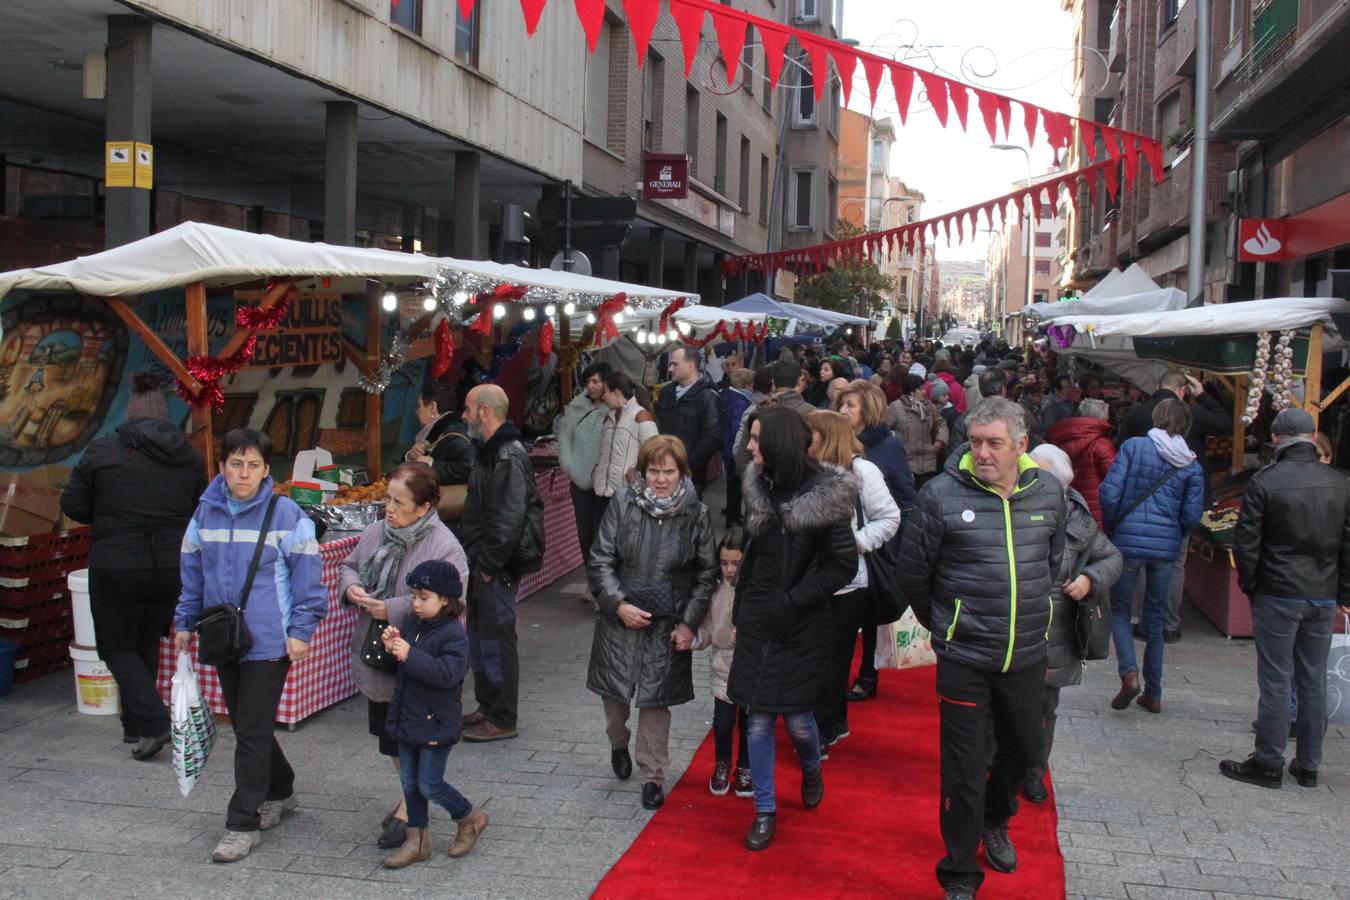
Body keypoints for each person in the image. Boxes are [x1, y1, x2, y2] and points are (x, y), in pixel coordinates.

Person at [898, 399, 1066, 899]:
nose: (984, 452)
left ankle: (997, 819)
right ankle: (959, 871)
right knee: (964, 766)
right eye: (975, 442)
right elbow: (913, 575)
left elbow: (1051, 565)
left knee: (1023, 749)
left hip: (1026, 654)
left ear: (1021, 445)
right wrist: (946, 626)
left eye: (995, 443)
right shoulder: (942, 496)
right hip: (965, 657)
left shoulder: (1049, 493)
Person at [173, 428, 328, 863]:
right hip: (224, 636)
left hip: (269, 641)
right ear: (221, 466)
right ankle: (280, 788)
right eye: (236, 464)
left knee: (252, 730)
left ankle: (242, 824)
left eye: (254, 465)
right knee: (246, 723)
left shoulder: (287, 514)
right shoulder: (204, 513)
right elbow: (192, 574)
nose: (245, 473)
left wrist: (301, 631)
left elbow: (308, 580)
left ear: (267, 471)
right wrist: (185, 622)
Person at [59, 376, 207, 758]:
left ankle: (154, 722)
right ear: (164, 415)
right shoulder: (188, 456)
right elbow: (197, 508)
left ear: (131, 414)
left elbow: (74, 506)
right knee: (143, 642)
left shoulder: (102, 451)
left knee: (115, 646)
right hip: (170, 566)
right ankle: (135, 726)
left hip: (117, 564)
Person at [732, 407, 858, 851]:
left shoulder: (827, 495)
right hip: (756, 621)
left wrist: (794, 600)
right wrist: (740, 607)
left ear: (778, 443)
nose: (749, 447)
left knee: (801, 722)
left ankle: (811, 767)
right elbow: (751, 551)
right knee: (759, 721)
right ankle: (765, 811)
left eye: (756, 438)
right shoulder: (755, 485)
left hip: (802, 626)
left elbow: (844, 564)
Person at [339, 462, 468, 850]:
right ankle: (406, 799)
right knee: (390, 736)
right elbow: (349, 566)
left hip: (418, 657)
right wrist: (353, 590)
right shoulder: (378, 531)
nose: (388, 509)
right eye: (387, 499)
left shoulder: (444, 545)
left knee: (411, 736)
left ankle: (410, 812)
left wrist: (390, 608)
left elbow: (453, 606)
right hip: (379, 653)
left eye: (398, 502)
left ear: (424, 506)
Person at [1220, 408, 1350, 790]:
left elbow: (1246, 544)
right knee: (1312, 680)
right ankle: (1308, 764)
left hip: (1278, 591)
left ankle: (1269, 760)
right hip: (1321, 593)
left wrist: (1251, 586)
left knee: (1277, 679)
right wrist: (1342, 592)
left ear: (1276, 439)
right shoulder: (1339, 483)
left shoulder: (1266, 482)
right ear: (1312, 438)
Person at [587, 435, 717, 810]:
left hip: (666, 622)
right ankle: (618, 742)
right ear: (643, 472)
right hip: (620, 619)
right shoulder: (623, 503)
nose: (661, 479)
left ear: (682, 472)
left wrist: (689, 623)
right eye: (654, 471)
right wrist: (617, 604)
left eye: (669, 472)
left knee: (656, 703)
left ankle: (652, 776)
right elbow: (600, 560)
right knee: (615, 701)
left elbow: (706, 575)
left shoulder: (697, 514)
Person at [1023, 444, 1122, 803]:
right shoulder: (1013, 506)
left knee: (1046, 707)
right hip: (1014, 622)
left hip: (1057, 626)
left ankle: (1034, 771)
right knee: (1004, 702)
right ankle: (995, 761)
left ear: (1061, 486)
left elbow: (1111, 557)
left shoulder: (1078, 520)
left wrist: (1090, 579)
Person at [377, 560, 487, 867]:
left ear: (446, 600)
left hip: (435, 722)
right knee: (410, 783)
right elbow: (407, 668)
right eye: (414, 596)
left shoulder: (454, 634)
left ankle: (469, 817)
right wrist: (393, 648)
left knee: (429, 783)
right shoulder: (416, 625)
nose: (416, 603)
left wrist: (409, 655)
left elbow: (448, 675)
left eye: (423, 598)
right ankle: (418, 841)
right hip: (409, 717)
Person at [1099, 398, 1205, 714]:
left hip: (1128, 541)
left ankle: (1129, 673)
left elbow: (1109, 492)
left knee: (1119, 609)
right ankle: (1154, 692)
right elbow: (1191, 514)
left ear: (1157, 417)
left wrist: (1115, 524)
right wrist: (1174, 533)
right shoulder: (1192, 464)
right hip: (1165, 548)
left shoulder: (1133, 447)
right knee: (1155, 620)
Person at [805, 410, 900, 754]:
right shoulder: (803, 470)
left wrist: (853, 544)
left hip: (847, 583)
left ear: (826, 436)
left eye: (810, 433)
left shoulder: (863, 471)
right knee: (814, 656)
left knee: (833, 660)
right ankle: (830, 720)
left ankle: (823, 730)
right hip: (806, 579)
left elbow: (889, 517)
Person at [459, 384, 545, 742]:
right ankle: (488, 704)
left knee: (497, 640)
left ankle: (503, 716)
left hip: (496, 564)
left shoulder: (507, 455)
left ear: (483, 412)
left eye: (466, 408)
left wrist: (489, 565)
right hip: (485, 560)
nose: (462, 416)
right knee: (481, 637)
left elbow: (509, 519)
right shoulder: (490, 452)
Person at [834, 379, 917, 701]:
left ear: (868, 411)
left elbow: (905, 496)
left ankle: (868, 673)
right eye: (841, 404)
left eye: (850, 405)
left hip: (876, 544)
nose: (843, 410)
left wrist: (887, 539)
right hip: (843, 544)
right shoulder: (838, 442)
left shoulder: (886, 445)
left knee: (870, 613)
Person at [698, 527, 753, 798]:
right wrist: (694, 639)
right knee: (722, 721)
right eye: (724, 564)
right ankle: (722, 763)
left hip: (750, 665)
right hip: (722, 664)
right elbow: (708, 627)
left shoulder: (756, 587)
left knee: (750, 721)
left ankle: (745, 766)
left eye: (735, 564)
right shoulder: (716, 589)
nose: (729, 570)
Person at [557, 362, 612, 572]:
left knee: (604, 530)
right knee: (585, 530)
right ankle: (592, 576)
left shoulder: (614, 408)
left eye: (596, 381)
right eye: (588, 381)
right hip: (579, 478)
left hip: (605, 478)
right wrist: (570, 466)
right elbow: (564, 439)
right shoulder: (576, 408)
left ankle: (604, 577)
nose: (591, 386)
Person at [591, 371, 659, 524]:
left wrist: (636, 476)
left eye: (605, 392)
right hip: (602, 494)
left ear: (616, 392)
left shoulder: (640, 416)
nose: (603, 397)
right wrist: (596, 473)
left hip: (627, 497)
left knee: (621, 545)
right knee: (601, 545)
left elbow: (655, 455)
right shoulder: (608, 419)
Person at [654, 346, 722, 494]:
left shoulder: (708, 397)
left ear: (691, 365)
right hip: (661, 470)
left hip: (690, 477)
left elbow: (712, 438)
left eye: (675, 364)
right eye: (671, 364)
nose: (670, 368)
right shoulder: (666, 392)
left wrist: (684, 463)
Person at [1048, 397, 1117, 529]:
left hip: (1067, 507)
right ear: (1102, 419)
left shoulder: (1059, 441)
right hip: (1097, 512)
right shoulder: (1102, 445)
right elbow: (1113, 481)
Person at [886, 373, 950, 489]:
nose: (925, 391)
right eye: (920, 389)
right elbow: (884, 430)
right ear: (911, 391)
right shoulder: (895, 407)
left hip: (929, 462)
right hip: (906, 465)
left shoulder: (930, 407)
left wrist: (940, 441)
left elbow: (942, 424)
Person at [407, 382, 475, 487]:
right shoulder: (437, 430)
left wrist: (431, 465)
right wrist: (411, 455)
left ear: (433, 407)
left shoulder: (454, 431)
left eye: (419, 405)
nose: (416, 411)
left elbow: (470, 466)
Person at [721, 368, 756, 527]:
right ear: (748, 384)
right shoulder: (741, 401)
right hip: (732, 449)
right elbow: (738, 429)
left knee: (732, 483)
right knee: (735, 484)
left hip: (726, 445)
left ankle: (732, 512)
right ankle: (733, 518)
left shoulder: (729, 395)